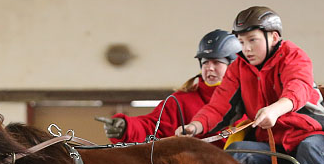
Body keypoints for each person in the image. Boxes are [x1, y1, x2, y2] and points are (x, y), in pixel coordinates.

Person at [176, 7, 324, 164]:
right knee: (238, 151)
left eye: (253, 40)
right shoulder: (238, 68)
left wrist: (275, 110)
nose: (246, 49)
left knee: (309, 150)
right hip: (270, 145)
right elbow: (219, 107)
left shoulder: (294, 56)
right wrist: (194, 126)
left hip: (309, 135)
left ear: (274, 37)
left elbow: (298, 87)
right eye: (241, 42)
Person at [96, 29, 240, 145]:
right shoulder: (180, 100)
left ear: (233, 65)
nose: (209, 68)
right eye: (205, 62)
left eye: (216, 62)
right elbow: (152, 126)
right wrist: (126, 127)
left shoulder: (249, 96)